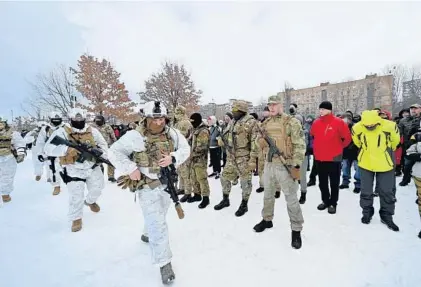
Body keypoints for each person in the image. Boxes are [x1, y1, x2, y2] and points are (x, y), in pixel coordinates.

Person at [108, 101, 190, 285]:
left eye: (162, 118)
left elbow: (186, 149)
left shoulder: (172, 133)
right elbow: (113, 152)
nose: (160, 122)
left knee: (159, 216)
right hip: (146, 186)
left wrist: (173, 157)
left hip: (166, 184)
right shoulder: (134, 136)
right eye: (155, 118)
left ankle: (147, 234)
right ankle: (164, 263)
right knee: (158, 224)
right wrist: (130, 168)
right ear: (146, 118)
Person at [253, 95, 305, 249]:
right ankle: (267, 219)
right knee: (268, 195)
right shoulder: (266, 123)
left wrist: (295, 165)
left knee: (291, 199)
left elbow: (300, 145)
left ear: (281, 105)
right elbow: (257, 143)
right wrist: (260, 141)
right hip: (269, 165)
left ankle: (296, 229)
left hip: (285, 165)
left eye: (275, 104)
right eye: (270, 105)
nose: (272, 107)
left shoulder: (291, 122)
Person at [44, 108, 108, 232]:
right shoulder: (62, 131)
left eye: (81, 119)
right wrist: (67, 150)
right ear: (70, 119)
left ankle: (90, 201)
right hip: (73, 169)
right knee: (76, 196)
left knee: (98, 188)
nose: (78, 121)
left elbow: (104, 145)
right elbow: (48, 149)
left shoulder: (92, 131)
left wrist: (100, 152)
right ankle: (76, 218)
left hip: (92, 166)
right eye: (75, 119)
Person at [214, 100, 258, 216]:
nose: (233, 113)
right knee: (224, 177)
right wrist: (222, 140)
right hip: (231, 157)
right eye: (232, 110)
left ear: (242, 111)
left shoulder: (251, 122)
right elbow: (228, 134)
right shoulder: (233, 121)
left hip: (244, 158)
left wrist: (253, 160)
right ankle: (225, 199)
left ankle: (244, 204)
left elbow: (255, 143)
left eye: (235, 111)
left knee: (245, 182)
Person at [310, 101, 351, 214]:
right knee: (322, 183)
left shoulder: (338, 122)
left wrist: (339, 148)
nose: (321, 111)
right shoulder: (316, 123)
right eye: (320, 109)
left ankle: (333, 203)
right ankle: (325, 201)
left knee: (334, 182)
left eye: (323, 109)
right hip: (320, 158)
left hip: (334, 158)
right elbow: (313, 135)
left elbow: (347, 138)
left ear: (329, 110)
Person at [180, 113, 211, 208]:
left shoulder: (203, 131)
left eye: (193, 121)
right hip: (193, 159)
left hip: (200, 160)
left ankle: (206, 198)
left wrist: (191, 155)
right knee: (193, 177)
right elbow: (190, 142)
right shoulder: (194, 129)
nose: (191, 123)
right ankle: (197, 195)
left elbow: (202, 147)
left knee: (202, 178)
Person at [36, 111, 65, 195]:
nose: (56, 121)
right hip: (51, 153)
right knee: (53, 169)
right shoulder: (46, 129)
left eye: (58, 119)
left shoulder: (65, 127)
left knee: (66, 169)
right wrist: (40, 153)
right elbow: (40, 142)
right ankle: (56, 186)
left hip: (64, 152)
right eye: (54, 119)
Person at [0, 115, 26, 204]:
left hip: (8, 158)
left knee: (7, 177)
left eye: (1, 123)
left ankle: (5, 194)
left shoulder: (12, 133)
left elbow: (19, 143)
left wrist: (21, 153)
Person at [173, 106, 193, 195]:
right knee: (180, 171)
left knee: (185, 172)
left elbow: (183, 136)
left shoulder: (185, 122)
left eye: (177, 113)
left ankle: (187, 191)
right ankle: (182, 188)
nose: (175, 115)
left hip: (184, 150)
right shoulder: (178, 122)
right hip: (178, 150)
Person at [92, 115, 117, 182]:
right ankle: (100, 176)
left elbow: (113, 136)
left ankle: (111, 176)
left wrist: (115, 143)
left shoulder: (107, 127)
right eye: (97, 121)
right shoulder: (93, 128)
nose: (98, 122)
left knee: (110, 161)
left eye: (99, 121)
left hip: (108, 147)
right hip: (97, 148)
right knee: (98, 162)